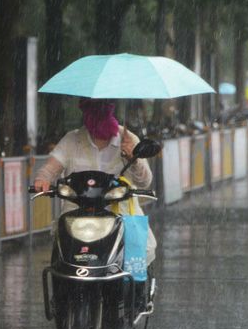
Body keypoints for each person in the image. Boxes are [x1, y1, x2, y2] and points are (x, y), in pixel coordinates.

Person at [33, 98, 156, 266]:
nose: (99, 115)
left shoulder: (127, 139)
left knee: (135, 266)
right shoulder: (72, 140)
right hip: (77, 219)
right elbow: (51, 167)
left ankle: (137, 289)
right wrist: (43, 180)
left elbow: (145, 181)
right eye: (94, 109)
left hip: (121, 218)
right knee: (61, 262)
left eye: (103, 108)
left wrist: (133, 158)